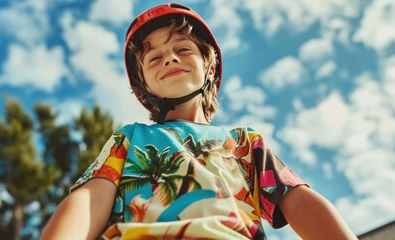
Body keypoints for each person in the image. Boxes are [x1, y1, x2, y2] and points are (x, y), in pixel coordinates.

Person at [40, 3, 357, 240]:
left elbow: (299, 204)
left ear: (210, 66)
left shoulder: (245, 145)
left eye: (183, 48)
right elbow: (90, 200)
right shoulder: (129, 139)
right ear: (144, 85)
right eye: (154, 57)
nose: (170, 58)